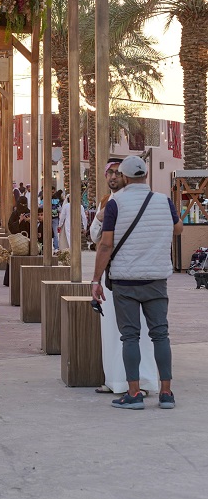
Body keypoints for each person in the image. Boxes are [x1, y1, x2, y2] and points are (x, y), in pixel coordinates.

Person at [91, 155, 182, 410]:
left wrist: (96, 279)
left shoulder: (115, 203)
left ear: (125, 177)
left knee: (130, 336)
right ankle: (166, 393)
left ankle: (133, 394)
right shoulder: (163, 200)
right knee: (161, 335)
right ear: (145, 175)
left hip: (126, 281)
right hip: (156, 279)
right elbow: (178, 229)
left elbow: (105, 244)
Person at [89, 157, 160, 396]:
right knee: (113, 331)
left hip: (136, 275)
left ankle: (144, 381)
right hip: (115, 277)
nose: (113, 177)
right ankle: (116, 380)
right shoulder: (106, 202)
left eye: (118, 173)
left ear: (127, 177)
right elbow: (95, 238)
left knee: (142, 333)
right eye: (109, 173)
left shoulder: (142, 201)